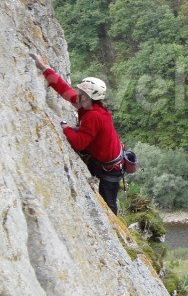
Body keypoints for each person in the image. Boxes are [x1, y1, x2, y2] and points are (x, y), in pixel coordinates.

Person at [30, 53, 125, 214]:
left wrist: (64, 126)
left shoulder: (94, 115)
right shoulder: (87, 105)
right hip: (105, 159)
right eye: (80, 92)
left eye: (81, 93)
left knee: (108, 205)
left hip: (110, 167)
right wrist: (44, 68)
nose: (77, 94)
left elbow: (79, 143)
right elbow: (65, 90)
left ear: (89, 97)